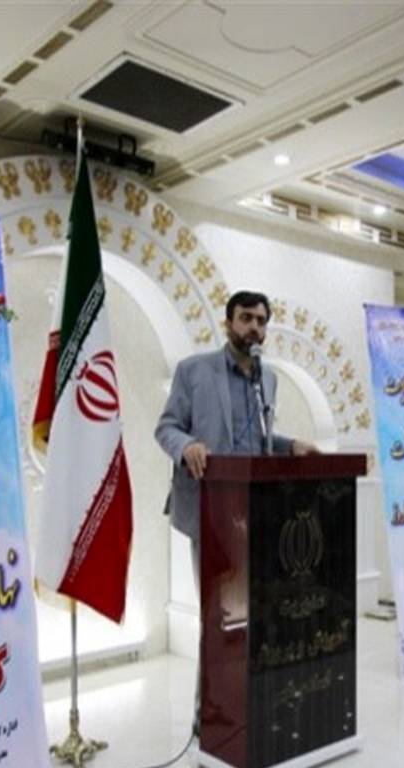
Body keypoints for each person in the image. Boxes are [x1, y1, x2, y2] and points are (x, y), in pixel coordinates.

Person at [155, 290, 319, 737]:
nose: (254, 328)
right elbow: (166, 427)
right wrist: (187, 445)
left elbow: (260, 442)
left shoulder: (268, 380)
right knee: (218, 616)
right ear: (228, 322)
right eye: (246, 318)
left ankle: (247, 700)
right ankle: (208, 712)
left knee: (255, 615)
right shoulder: (194, 371)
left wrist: (290, 446)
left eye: (261, 321)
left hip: (258, 512)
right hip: (211, 511)